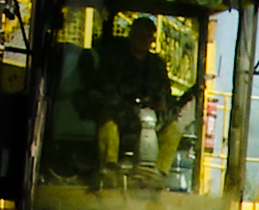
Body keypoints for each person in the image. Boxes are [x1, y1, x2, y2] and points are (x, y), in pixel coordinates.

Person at [74, 16, 188, 183]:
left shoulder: (156, 64)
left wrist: (162, 103)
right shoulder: (114, 59)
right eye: (141, 34)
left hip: (150, 118)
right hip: (121, 113)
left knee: (174, 130)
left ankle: (157, 174)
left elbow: (165, 92)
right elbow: (106, 87)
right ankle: (109, 168)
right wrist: (125, 104)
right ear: (132, 35)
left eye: (149, 36)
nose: (145, 39)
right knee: (108, 119)